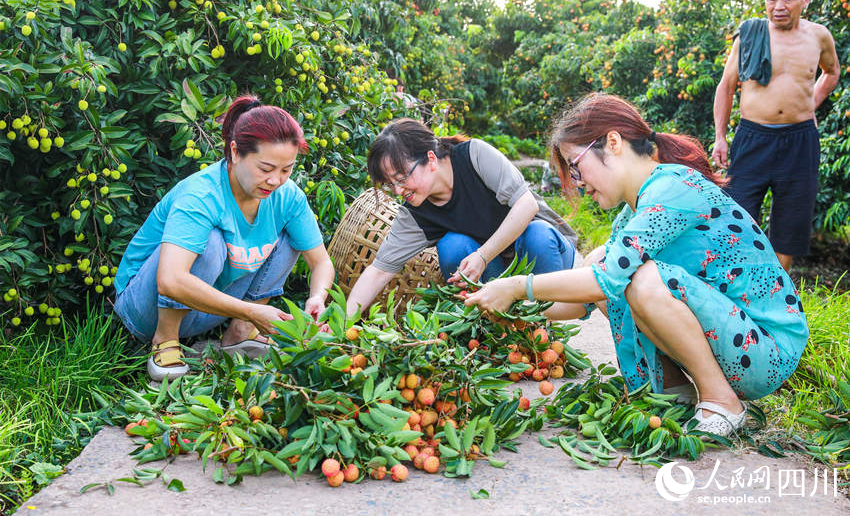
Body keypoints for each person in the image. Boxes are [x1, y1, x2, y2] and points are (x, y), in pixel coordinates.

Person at [465, 93, 809, 437]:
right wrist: (510, 309)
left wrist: (515, 286)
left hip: (764, 350)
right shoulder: (635, 214)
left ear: (612, 142)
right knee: (600, 260)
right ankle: (672, 391)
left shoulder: (674, 188)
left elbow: (606, 280)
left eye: (576, 166)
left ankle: (723, 402)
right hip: (733, 339)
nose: (579, 182)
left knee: (637, 278)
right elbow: (586, 297)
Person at [114, 96, 334, 381]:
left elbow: (321, 262)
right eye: (266, 169)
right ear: (235, 152)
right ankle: (165, 339)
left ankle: (241, 332)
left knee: (292, 237)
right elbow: (169, 280)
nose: (275, 180)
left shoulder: (287, 197)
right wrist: (253, 310)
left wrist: (317, 297)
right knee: (211, 241)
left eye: (286, 169)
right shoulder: (201, 195)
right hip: (146, 308)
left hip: (202, 310)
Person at [345, 118, 579, 315]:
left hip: (545, 257)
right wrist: (342, 326)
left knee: (535, 233)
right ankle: (498, 326)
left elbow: (527, 205)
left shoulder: (474, 156)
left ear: (431, 159)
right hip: (497, 274)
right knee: (452, 245)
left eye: (402, 177)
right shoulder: (414, 214)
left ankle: (543, 322)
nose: (398, 190)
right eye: (390, 184)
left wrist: (482, 256)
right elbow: (379, 271)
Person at [713, 0, 839, 272]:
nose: (779, 6)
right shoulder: (750, 34)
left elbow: (832, 72)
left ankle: (777, 298)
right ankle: (739, 291)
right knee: (736, 218)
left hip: (800, 140)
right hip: (753, 138)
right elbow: (726, 86)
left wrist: (812, 102)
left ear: (805, 0)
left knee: (790, 225)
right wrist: (720, 136)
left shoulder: (819, 36)